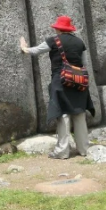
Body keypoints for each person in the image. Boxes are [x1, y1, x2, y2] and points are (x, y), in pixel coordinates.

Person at [20, 16, 95, 159]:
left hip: (61, 81)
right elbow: (83, 64)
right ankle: (84, 149)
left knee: (63, 114)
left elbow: (35, 51)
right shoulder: (80, 42)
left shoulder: (53, 41)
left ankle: (63, 151)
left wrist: (24, 48)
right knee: (79, 114)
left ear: (59, 28)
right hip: (79, 81)